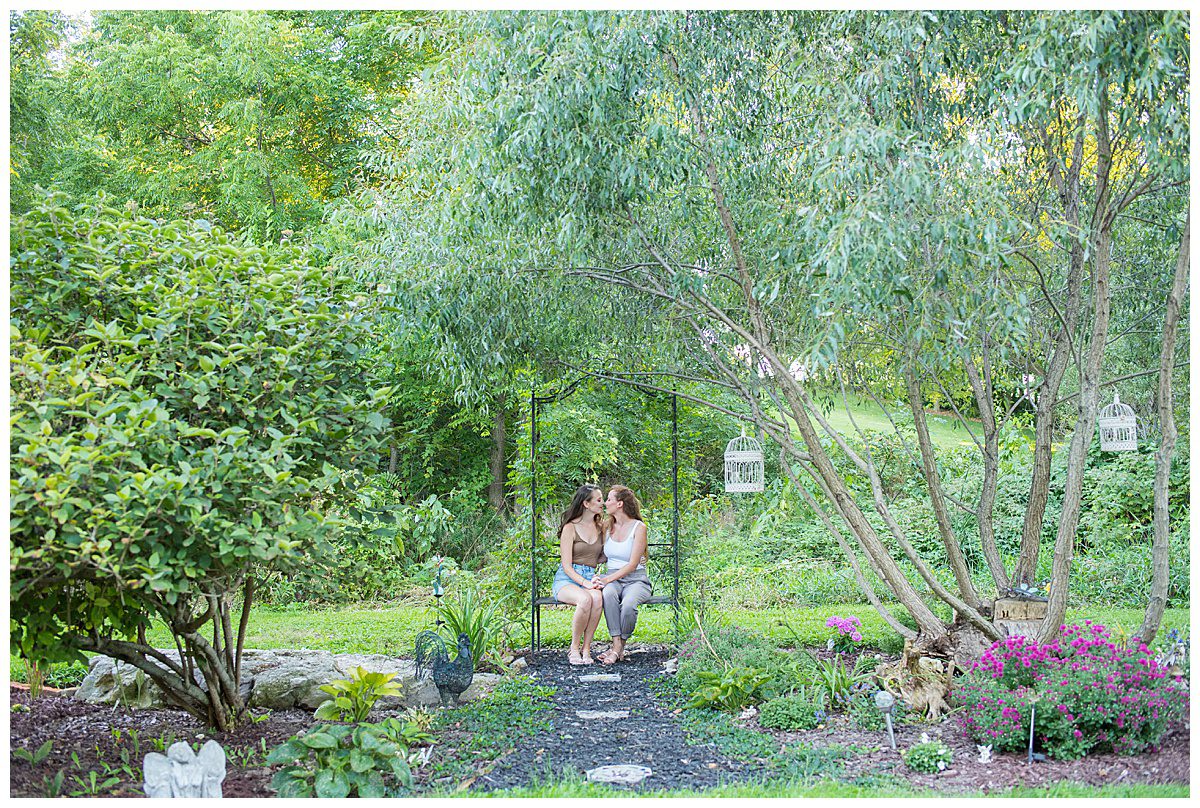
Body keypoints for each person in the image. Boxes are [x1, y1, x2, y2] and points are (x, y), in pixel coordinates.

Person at [596, 485, 654, 665]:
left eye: (609, 499)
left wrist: (606, 579)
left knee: (629, 604)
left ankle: (618, 648)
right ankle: (616, 647)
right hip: (613, 578)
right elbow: (602, 556)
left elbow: (632, 564)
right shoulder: (607, 527)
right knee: (608, 594)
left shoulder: (639, 527)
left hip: (636, 579)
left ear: (619, 504)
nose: (606, 503)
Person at [551, 484, 606, 665]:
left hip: (589, 575)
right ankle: (574, 648)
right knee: (585, 599)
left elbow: (603, 557)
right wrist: (585, 582)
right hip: (567, 578)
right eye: (598, 500)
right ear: (586, 504)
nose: (602, 503)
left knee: (597, 599)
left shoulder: (601, 528)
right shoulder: (570, 528)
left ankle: (586, 648)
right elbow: (566, 566)